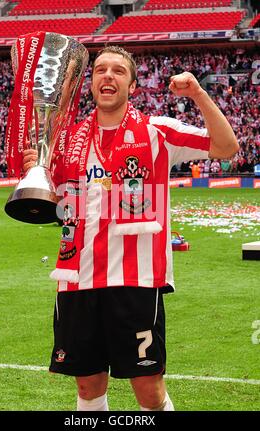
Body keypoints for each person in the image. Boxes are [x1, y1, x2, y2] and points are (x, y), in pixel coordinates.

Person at [22, 46, 239, 411]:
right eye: (100, 70)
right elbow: (58, 207)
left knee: (148, 390)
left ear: (133, 85)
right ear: (90, 84)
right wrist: (38, 171)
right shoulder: (66, 140)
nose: (108, 76)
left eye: (118, 71)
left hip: (135, 281)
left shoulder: (158, 132)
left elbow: (226, 146)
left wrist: (198, 93)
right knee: (88, 386)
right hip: (76, 279)